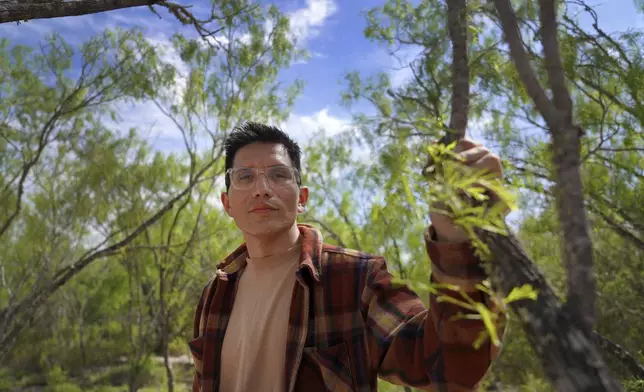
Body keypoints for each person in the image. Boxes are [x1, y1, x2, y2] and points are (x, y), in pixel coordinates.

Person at [189, 122, 507, 392]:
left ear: (301, 198)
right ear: (227, 203)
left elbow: (445, 367)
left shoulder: (356, 278)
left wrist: (458, 239)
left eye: (278, 175)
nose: (262, 188)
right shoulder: (215, 294)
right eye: (245, 177)